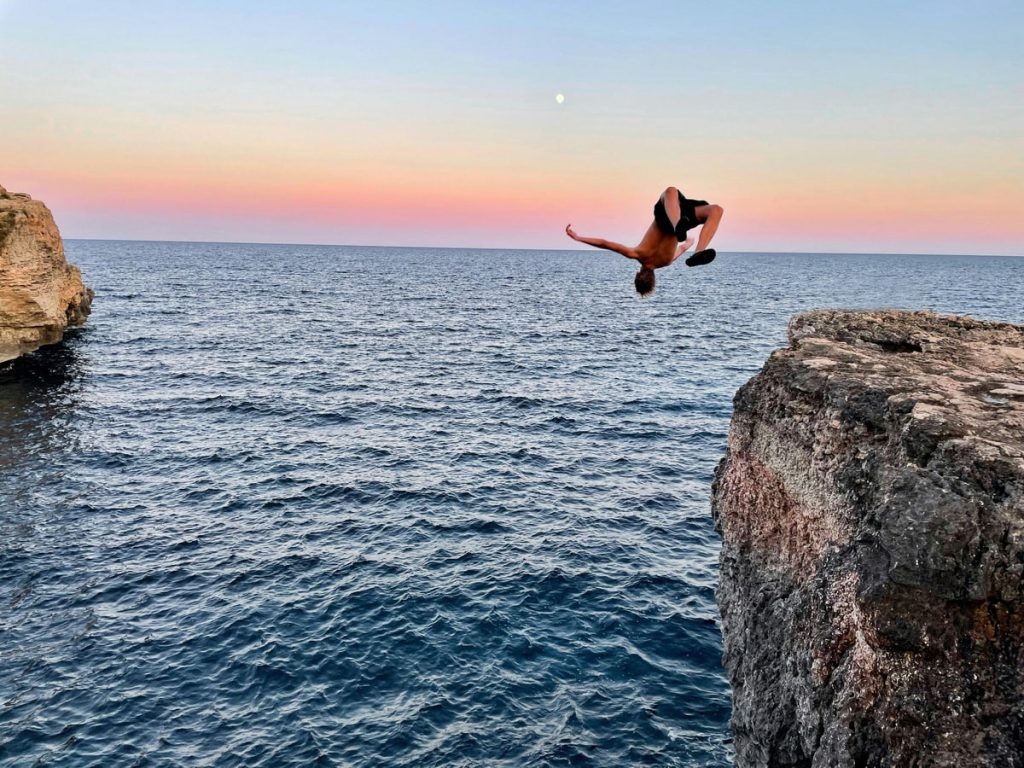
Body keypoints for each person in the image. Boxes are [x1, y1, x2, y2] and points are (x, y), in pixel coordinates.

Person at [566, 186, 724, 296]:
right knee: (672, 191)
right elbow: (605, 243)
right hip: (668, 217)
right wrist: (578, 238)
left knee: (715, 210)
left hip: (681, 218)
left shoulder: (667, 261)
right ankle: (697, 249)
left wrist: (689, 243)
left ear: (653, 278)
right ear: (637, 273)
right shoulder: (636, 253)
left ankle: (692, 244)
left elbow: (682, 248)